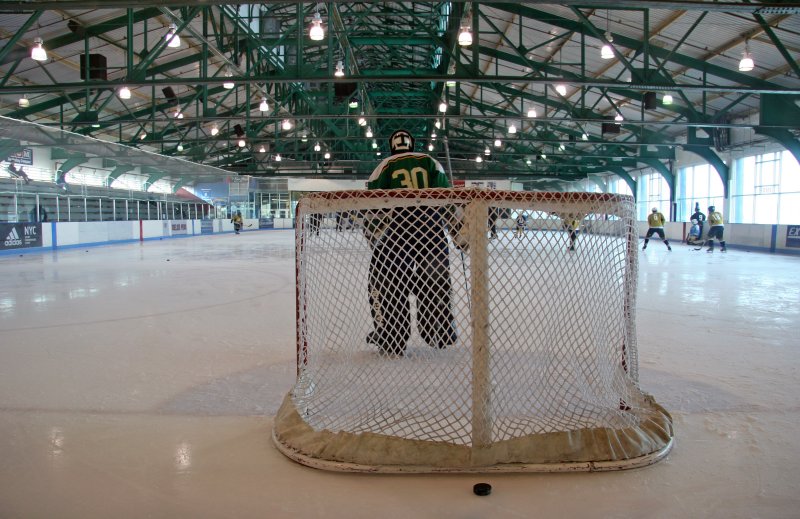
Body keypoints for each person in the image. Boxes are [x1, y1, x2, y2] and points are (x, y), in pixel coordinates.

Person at [363, 129, 461, 356]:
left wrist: (375, 239)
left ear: (392, 146)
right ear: (412, 144)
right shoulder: (430, 161)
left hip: (399, 229)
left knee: (385, 282)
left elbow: (371, 205)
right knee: (435, 280)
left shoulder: (385, 165)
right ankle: (441, 331)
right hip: (431, 229)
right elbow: (448, 200)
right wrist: (457, 232)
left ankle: (391, 338)